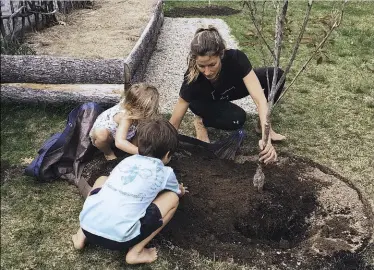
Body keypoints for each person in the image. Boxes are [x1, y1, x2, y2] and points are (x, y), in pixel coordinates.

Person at [72, 119, 188, 264]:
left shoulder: (127, 161)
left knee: (102, 180)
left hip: (88, 225)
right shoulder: (166, 172)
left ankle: (80, 235)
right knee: (172, 198)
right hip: (121, 239)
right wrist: (181, 190)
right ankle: (136, 252)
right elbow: (177, 191)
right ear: (168, 154)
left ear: (138, 145)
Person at [170, 26, 286, 164]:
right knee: (237, 119)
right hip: (205, 100)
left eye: (212, 64)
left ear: (221, 54)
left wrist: (265, 136)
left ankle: (261, 125)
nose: (207, 72)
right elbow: (175, 121)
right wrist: (163, 146)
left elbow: (259, 99)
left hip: (228, 90)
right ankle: (200, 121)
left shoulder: (236, 58)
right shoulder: (192, 79)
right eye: (202, 66)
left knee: (276, 76)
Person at [89, 83, 159, 160]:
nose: (147, 113)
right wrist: (142, 153)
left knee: (142, 126)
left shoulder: (133, 106)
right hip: (110, 136)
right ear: (133, 107)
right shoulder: (125, 117)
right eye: (146, 110)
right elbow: (119, 142)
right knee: (101, 136)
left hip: (126, 131)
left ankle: (131, 149)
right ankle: (108, 153)